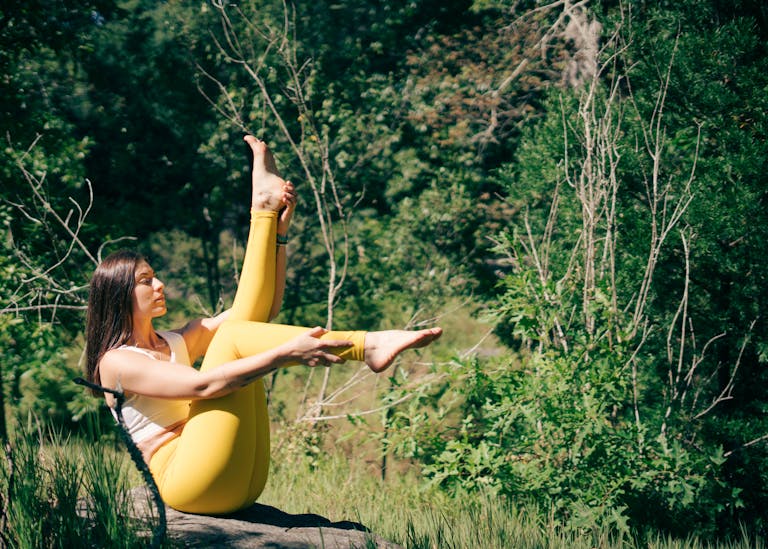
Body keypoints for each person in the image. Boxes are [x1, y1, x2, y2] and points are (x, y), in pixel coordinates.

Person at [84, 135, 442, 515]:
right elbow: (204, 385)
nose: (160, 285)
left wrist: (279, 236)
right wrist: (284, 355)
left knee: (239, 329)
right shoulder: (115, 363)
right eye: (145, 280)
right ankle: (364, 345)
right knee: (235, 337)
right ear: (119, 294)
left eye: (155, 276)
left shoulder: (174, 341)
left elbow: (260, 311)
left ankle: (265, 211)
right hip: (186, 480)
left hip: (236, 475)